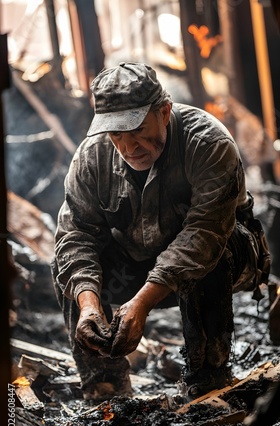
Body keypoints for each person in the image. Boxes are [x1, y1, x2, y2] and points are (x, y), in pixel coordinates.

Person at [52, 62, 269, 401]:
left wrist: (141, 303)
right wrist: (89, 304)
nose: (128, 146)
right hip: (138, 263)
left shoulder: (208, 142)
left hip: (223, 262)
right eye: (117, 134)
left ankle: (207, 376)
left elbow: (204, 234)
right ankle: (106, 387)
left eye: (137, 129)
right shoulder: (92, 156)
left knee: (214, 251)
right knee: (72, 269)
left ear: (165, 111)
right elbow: (75, 235)